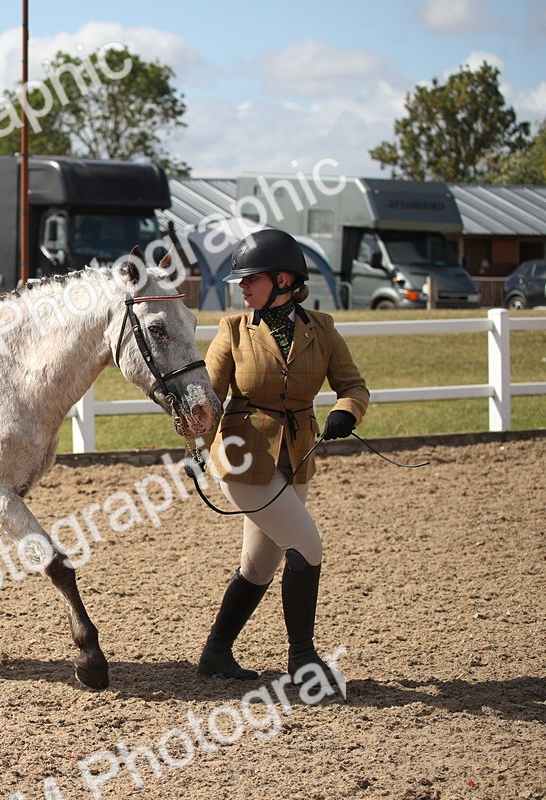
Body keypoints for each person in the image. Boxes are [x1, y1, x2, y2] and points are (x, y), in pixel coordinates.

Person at [196, 228, 369, 690]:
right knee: (307, 547)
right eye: (241, 280)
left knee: (258, 565)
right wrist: (196, 447)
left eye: (251, 278)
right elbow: (208, 398)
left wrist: (346, 412)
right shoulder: (233, 329)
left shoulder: (322, 328)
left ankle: (215, 653)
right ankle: (303, 660)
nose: (243, 287)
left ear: (284, 279)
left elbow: (353, 386)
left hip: (297, 455)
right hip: (242, 459)